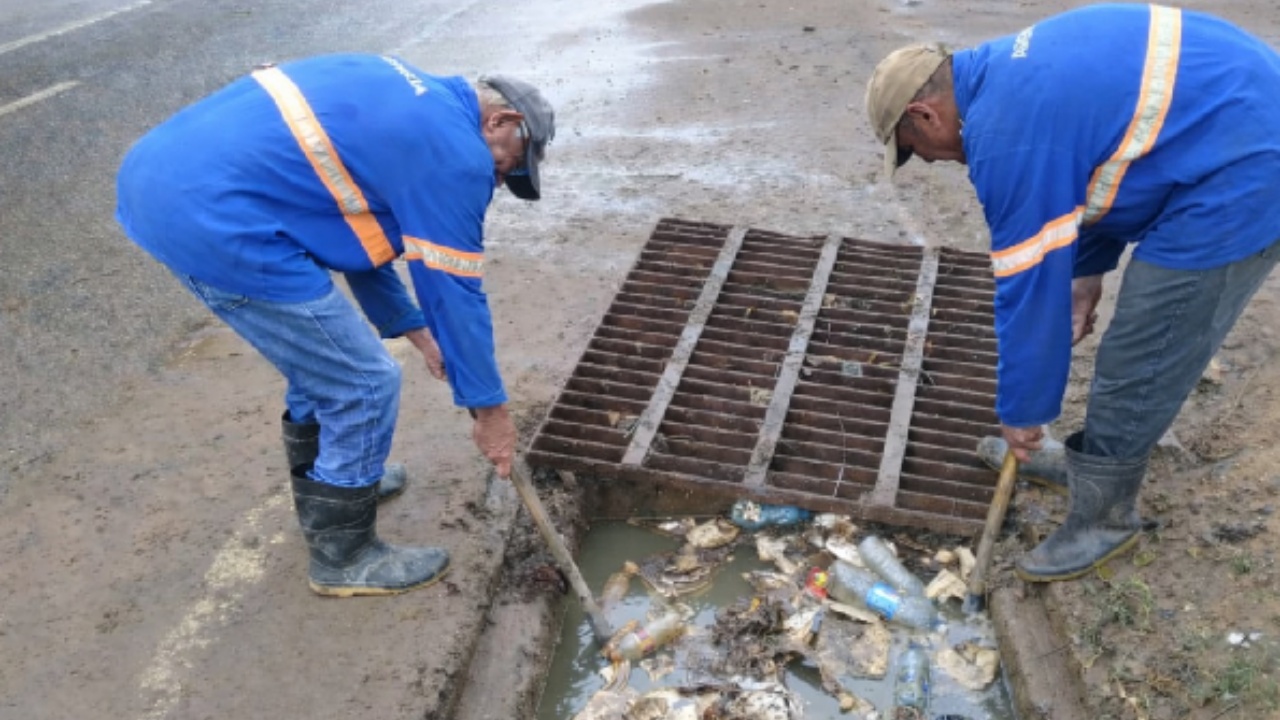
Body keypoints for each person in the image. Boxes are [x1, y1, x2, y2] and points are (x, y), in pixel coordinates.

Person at [864, 4, 1280, 582]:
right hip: (1233, 117)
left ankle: (1105, 517)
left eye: (915, 151)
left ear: (924, 114)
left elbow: (1028, 291)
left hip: (1248, 164)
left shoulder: (1006, 138)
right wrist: (1086, 274)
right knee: (1135, 338)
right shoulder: (1005, 77)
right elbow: (1102, 164)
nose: (932, 162)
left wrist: (1023, 412)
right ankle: (1089, 468)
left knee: (1144, 347)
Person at [115, 54, 555, 597]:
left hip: (158, 180)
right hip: (216, 218)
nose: (500, 178)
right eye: (510, 165)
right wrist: (491, 412)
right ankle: (343, 556)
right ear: (502, 122)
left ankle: (333, 485)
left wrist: (417, 332)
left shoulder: (405, 95)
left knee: (321, 357)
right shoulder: (456, 153)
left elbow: (359, 240)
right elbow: (455, 292)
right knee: (363, 380)